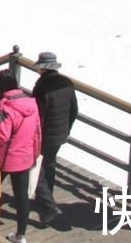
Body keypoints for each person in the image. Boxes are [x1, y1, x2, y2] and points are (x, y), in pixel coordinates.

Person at [0, 71, 42, 243]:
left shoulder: (4, 108)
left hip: (6, 158)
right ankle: (21, 235)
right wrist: (34, 154)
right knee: (21, 197)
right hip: (25, 156)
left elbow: (2, 136)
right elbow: (37, 133)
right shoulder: (31, 104)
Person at [31, 51, 78, 218]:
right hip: (60, 133)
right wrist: (66, 129)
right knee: (49, 164)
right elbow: (74, 110)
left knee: (35, 168)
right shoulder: (67, 83)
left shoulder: (42, 86)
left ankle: (48, 205)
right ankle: (45, 199)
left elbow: (38, 114)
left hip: (44, 134)